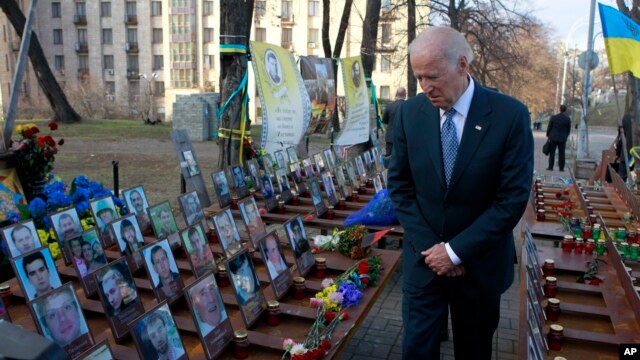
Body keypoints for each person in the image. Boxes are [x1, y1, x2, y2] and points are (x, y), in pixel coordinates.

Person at [387, 26, 533, 359]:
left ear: (463, 65)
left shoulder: (510, 116)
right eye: (418, 77)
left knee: (474, 351)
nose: (425, 87)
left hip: (479, 268)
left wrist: (455, 252)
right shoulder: (410, 113)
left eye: (433, 76)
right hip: (424, 265)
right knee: (416, 351)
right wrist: (434, 251)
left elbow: (510, 200)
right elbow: (400, 187)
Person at [546, 104, 571, 171]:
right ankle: (561, 168)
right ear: (565, 110)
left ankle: (550, 167)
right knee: (562, 153)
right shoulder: (567, 119)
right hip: (562, 138)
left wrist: (548, 135)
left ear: (559, 109)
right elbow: (568, 129)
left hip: (553, 137)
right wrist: (566, 136)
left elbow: (549, 127)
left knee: (552, 153)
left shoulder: (553, 117)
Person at [382, 87, 407, 156]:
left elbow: (384, 120)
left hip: (390, 137)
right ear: (405, 95)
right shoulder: (408, 105)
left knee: (389, 158)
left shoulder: (389, 106)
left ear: (396, 94)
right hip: (403, 138)